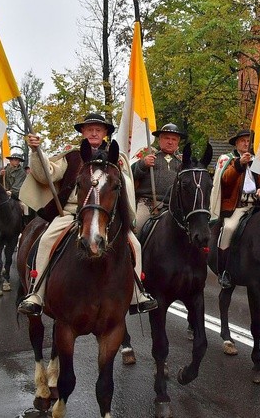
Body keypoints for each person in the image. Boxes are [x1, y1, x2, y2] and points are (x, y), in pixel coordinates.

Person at [17, 112, 157, 316]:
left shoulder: (115, 158)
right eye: (89, 128)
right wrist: (36, 152)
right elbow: (46, 172)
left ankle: (138, 293)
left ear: (105, 133)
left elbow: (124, 186)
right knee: (47, 239)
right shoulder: (72, 155)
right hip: (72, 212)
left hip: (105, 215)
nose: (93, 132)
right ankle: (36, 294)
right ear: (83, 131)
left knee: (134, 243)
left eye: (98, 129)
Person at [209, 129, 260, 288]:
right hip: (236, 206)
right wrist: (239, 164)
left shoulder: (257, 160)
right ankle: (223, 271)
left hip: (255, 205)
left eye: (248, 141)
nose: (246, 143)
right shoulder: (227, 159)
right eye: (242, 140)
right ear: (236, 143)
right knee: (228, 229)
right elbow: (225, 179)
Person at [131, 123, 186, 229]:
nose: (170, 142)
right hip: (148, 204)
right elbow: (131, 175)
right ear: (159, 140)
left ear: (178, 142)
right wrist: (142, 164)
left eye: (174, 139)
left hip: (173, 207)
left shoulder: (182, 164)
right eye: (166, 138)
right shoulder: (148, 158)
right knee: (136, 227)